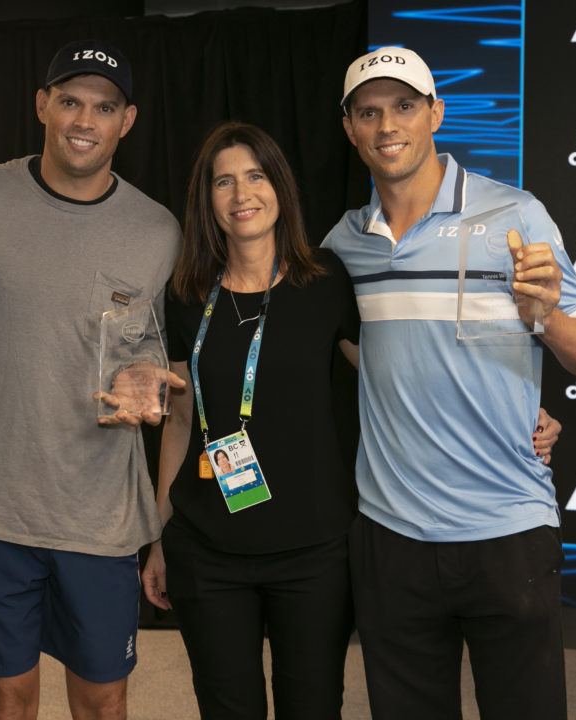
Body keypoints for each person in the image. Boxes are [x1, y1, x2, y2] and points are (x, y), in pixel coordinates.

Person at [323, 47, 576, 720]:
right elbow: (343, 342)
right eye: (368, 112)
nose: (386, 125)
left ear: (436, 114)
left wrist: (543, 318)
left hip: (506, 532)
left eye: (404, 106)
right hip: (390, 536)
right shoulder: (345, 243)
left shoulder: (515, 215)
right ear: (350, 130)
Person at [0, 40, 182, 720]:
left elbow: (153, 353)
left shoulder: (157, 230)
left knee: (103, 702)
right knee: (7, 699)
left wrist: (147, 382)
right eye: (69, 100)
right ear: (42, 105)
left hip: (98, 517)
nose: (84, 120)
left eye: (104, 106)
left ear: (127, 120)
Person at [142, 121, 361, 719]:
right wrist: (161, 534)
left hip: (314, 553)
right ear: (206, 200)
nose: (242, 194)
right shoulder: (188, 296)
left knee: (312, 707)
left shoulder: (327, 282)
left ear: (280, 188)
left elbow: (397, 383)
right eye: (224, 182)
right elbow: (181, 424)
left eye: (256, 176)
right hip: (208, 551)